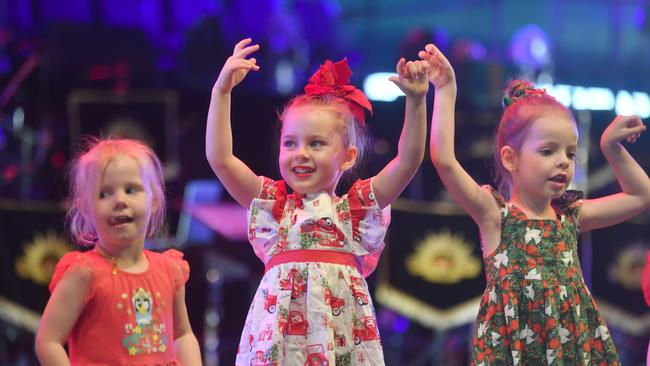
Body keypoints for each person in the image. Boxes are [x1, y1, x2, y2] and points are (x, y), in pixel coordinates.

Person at [423, 41, 650, 365]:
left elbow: (641, 196)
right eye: (548, 151)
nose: (563, 162)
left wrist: (610, 147)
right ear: (510, 158)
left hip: (569, 348)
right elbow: (443, 160)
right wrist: (446, 90)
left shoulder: (569, 216)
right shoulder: (495, 215)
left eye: (570, 153)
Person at [206, 38, 430, 365]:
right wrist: (221, 93)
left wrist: (417, 101)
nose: (301, 154)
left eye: (316, 143)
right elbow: (221, 159)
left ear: (348, 156)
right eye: (290, 143)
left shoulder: (355, 210)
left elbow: (407, 161)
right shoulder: (274, 204)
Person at [35, 138, 201, 365]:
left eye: (131, 190)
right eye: (104, 194)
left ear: (154, 199)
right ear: (85, 208)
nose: (120, 200)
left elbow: (182, 335)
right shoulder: (84, 273)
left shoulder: (170, 271)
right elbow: (48, 340)